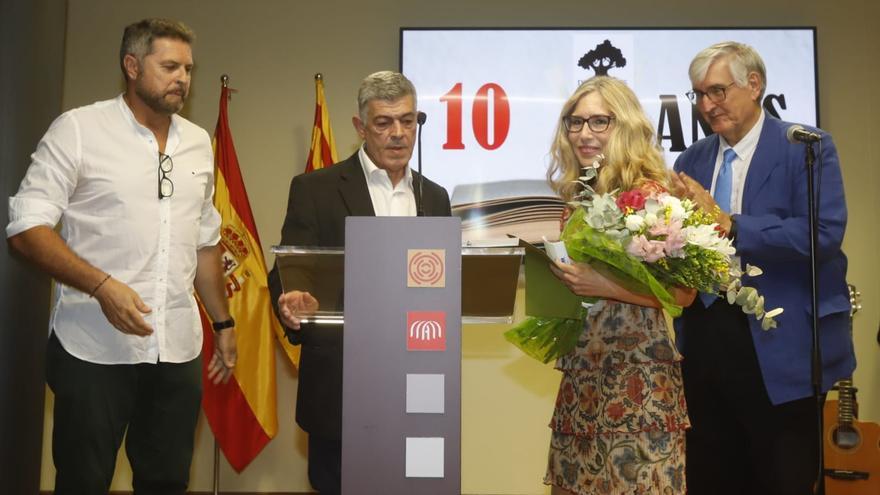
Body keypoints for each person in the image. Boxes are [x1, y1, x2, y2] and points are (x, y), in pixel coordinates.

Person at [5, 18, 236, 494]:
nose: (183, 79)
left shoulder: (197, 142)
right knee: (84, 481)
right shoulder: (80, 129)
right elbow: (26, 227)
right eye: (169, 66)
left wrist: (224, 324)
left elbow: (205, 242)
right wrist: (101, 285)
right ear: (132, 66)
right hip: (93, 348)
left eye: (188, 69)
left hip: (177, 350)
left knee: (168, 480)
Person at [671, 41, 854, 495]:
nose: (706, 105)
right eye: (698, 95)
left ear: (754, 85)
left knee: (781, 478)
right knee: (711, 478)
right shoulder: (691, 160)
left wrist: (732, 226)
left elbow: (822, 235)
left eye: (717, 91)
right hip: (706, 345)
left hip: (783, 347)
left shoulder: (807, 149)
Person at [267, 70, 452, 494]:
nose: (399, 133)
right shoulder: (317, 189)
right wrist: (291, 298)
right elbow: (290, 265)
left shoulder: (435, 196)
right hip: (342, 382)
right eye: (384, 123)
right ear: (360, 127)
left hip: (419, 377)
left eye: (408, 120)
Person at [543, 76, 695, 495]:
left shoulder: (653, 197)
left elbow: (683, 296)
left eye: (598, 121)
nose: (583, 133)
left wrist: (604, 284)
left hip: (640, 378)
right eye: (574, 122)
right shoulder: (576, 197)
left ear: (624, 125)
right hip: (582, 371)